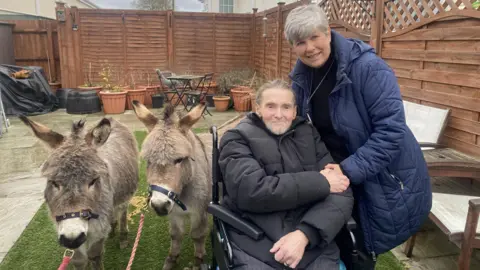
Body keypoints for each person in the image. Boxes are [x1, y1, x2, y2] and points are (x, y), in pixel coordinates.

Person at [284, 4, 432, 269]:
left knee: (359, 249)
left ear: (328, 32)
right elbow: (298, 122)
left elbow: (391, 131)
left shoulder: (370, 69)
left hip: (377, 174)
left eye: (314, 37)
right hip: (333, 170)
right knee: (332, 239)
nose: (309, 48)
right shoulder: (301, 76)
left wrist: (347, 170)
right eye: (300, 42)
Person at [218, 79, 354, 269]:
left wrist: (305, 234)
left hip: (312, 242)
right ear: (258, 109)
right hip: (254, 239)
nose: (279, 115)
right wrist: (321, 181)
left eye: (286, 107)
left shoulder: (309, 134)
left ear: (295, 111)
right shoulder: (237, 138)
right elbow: (251, 191)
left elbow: (341, 190)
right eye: (271, 106)